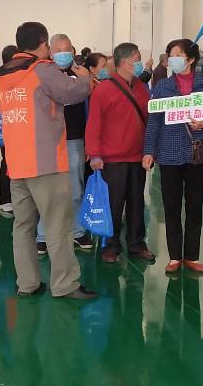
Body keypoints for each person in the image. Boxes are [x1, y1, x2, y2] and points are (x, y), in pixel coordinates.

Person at [0, 22, 96, 300]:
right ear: (43, 44)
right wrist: (84, 78)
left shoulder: (2, 75)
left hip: (17, 163)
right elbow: (73, 93)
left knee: (23, 226)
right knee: (58, 225)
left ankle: (27, 283)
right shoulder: (41, 69)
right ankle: (65, 284)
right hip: (46, 162)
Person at [143, 38, 203, 275]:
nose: (172, 59)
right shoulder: (162, 87)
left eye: (178, 55)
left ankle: (192, 256)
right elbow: (154, 122)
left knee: (194, 207)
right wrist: (149, 151)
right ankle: (175, 257)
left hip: (196, 155)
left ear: (190, 59)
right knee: (171, 207)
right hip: (169, 154)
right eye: (170, 55)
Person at [85, 42, 154, 264]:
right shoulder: (104, 89)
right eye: (138, 58)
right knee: (113, 204)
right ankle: (110, 245)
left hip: (138, 157)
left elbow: (151, 120)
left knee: (136, 203)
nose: (141, 63)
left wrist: (150, 150)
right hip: (111, 159)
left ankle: (137, 244)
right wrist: (94, 154)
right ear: (125, 62)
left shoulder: (142, 88)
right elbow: (94, 123)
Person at [36, 34, 94, 254]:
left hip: (75, 139)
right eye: (58, 50)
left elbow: (91, 107)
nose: (63, 54)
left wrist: (90, 142)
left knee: (76, 188)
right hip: (49, 141)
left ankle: (77, 231)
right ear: (50, 53)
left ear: (73, 50)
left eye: (66, 49)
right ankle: (43, 235)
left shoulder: (82, 74)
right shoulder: (43, 74)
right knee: (48, 190)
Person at [0, 44, 18, 216]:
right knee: (8, 161)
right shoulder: (3, 76)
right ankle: (6, 198)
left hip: (9, 125)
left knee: (7, 161)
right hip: (10, 126)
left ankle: (7, 199)